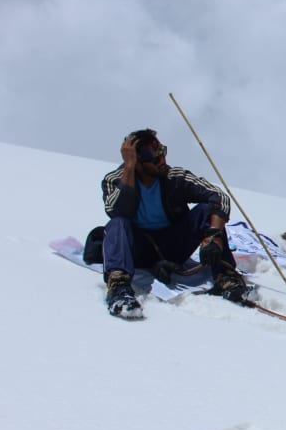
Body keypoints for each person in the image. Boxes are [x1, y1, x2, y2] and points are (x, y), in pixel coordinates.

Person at [101, 128, 255, 318]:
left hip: (173, 245)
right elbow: (115, 210)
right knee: (118, 223)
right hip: (138, 248)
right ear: (137, 160)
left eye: (161, 151)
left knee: (208, 211)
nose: (161, 159)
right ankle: (119, 289)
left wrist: (213, 235)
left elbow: (219, 197)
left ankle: (226, 277)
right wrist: (129, 168)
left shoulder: (175, 178)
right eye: (152, 154)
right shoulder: (114, 180)